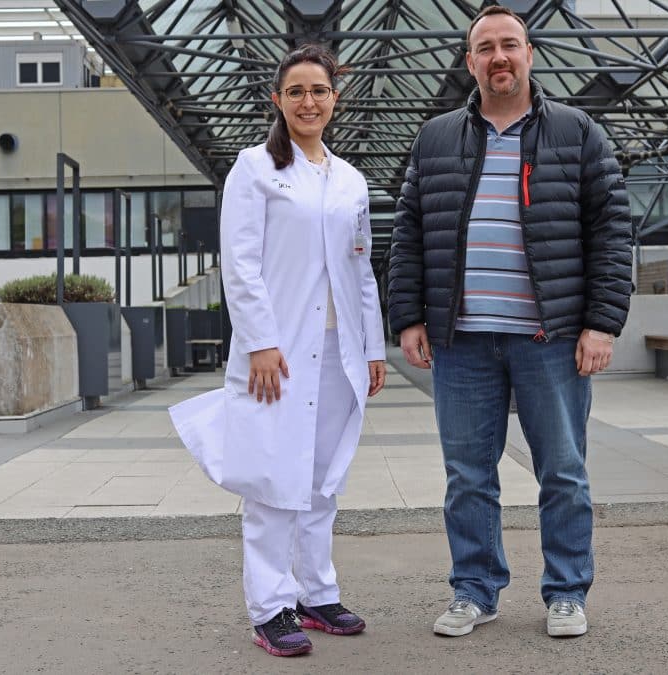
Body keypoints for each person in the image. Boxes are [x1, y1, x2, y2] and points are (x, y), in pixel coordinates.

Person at [387, 6, 633, 639]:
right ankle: (475, 589)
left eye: (510, 45)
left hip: (548, 338)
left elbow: (611, 232)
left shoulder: (578, 133)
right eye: (485, 48)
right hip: (462, 340)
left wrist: (601, 324)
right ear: (469, 62)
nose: (499, 57)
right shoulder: (436, 137)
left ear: (529, 54)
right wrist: (408, 316)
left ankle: (567, 590)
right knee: (467, 475)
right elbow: (408, 234)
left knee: (563, 470)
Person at [168, 44, 386, 658]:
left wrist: (372, 345)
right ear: (278, 100)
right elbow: (239, 264)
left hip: (339, 350)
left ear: (335, 99)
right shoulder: (255, 168)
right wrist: (260, 342)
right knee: (272, 479)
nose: (309, 101)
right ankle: (270, 608)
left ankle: (317, 594)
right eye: (296, 92)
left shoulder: (349, 179)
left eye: (319, 90)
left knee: (321, 480)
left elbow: (361, 268)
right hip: (280, 353)